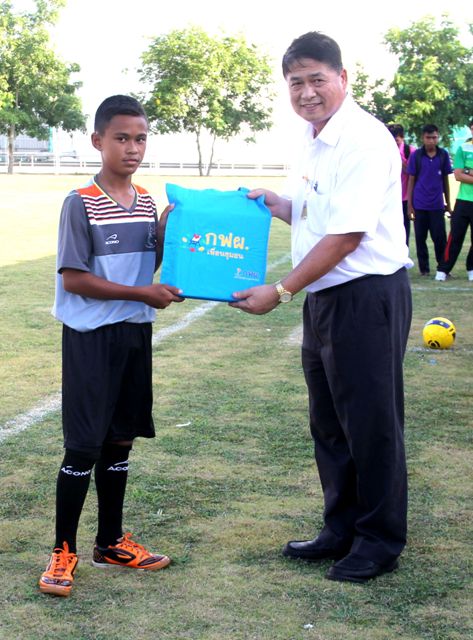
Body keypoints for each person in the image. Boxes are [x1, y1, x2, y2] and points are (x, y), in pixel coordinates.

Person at [231, 31, 413, 584]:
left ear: (343, 78)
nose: (307, 92)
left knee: (371, 423)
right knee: (330, 422)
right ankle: (342, 527)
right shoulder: (314, 138)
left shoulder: (363, 139)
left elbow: (347, 236)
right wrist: (278, 204)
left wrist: (281, 291)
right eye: (295, 83)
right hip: (328, 297)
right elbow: (318, 216)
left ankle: (379, 540)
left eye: (317, 80)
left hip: (366, 295)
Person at [39, 95, 183, 597]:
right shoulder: (80, 202)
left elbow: (147, 267)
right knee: (84, 444)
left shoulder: (145, 201)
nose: (132, 148)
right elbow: (75, 279)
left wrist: (166, 236)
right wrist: (143, 293)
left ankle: (110, 542)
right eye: (121, 138)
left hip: (134, 334)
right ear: (98, 140)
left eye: (140, 138)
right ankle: (63, 551)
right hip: (91, 338)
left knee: (120, 438)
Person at [406, 124, 453, 276]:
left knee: (440, 238)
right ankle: (424, 269)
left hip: (437, 205)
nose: (431, 141)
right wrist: (410, 205)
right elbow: (411, 180)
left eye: (434, 137)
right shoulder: (416, 156)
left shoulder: (443, 155)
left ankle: (442, 268)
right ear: (423, 138)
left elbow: (445, 180)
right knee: (420, 239)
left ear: (438, 137)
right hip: (419, 204)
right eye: (428, 137)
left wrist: (448, 204)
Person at [435, 119, 473, 281]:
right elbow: (458, 175)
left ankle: (471, 268)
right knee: (455, 237)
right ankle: (443, 270)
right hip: (463, 200)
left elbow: (464, 172)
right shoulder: (463, 148)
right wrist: (466, 172)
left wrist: (468, 171)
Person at [388, 124, 415, 245]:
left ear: (402, 137)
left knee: (404, 228)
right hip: (389, 197)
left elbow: (411, 172)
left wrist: (397, 157)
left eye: (396, 140)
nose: (394, 143)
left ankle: (404, 252)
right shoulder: (384, 151)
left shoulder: (410, 151)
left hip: (404, 197)